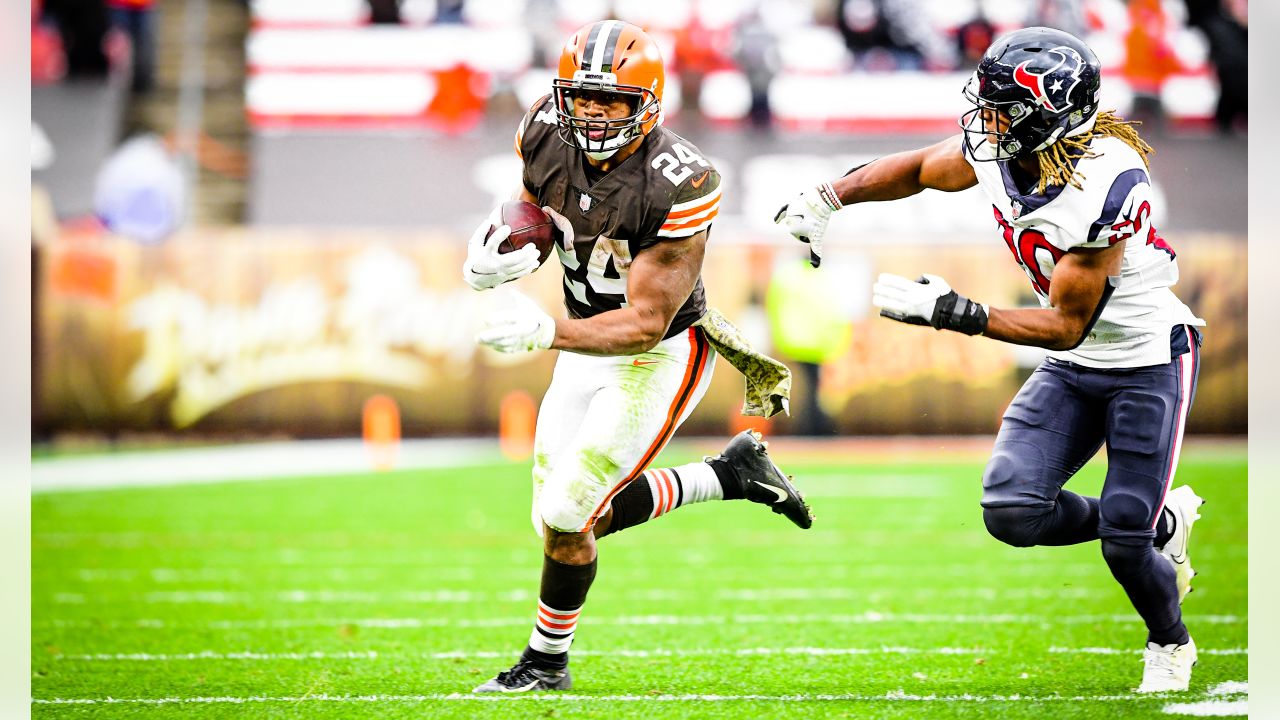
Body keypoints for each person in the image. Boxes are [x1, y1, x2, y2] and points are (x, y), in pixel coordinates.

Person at [775, 27, 1205, 693]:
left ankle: (1170, 640)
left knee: (1125, 542)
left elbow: (1065, 326)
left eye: (1005, 110)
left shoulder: (1105, 188)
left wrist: (958, 313)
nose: (987, 121)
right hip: (1078, 365)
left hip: (1144, 360)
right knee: (1012, 510)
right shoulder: (1006, 152)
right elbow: (920, 169)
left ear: (1050, 119)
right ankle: (1161, 521)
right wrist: (829, 197)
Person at [464, 20, 812, 693]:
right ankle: (728, 476)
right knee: (556, 522)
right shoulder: (541, 129)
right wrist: (499, 251)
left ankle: (545, 663)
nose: (593, 114)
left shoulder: (681, 180)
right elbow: (537, 205)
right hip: (585, 335)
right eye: (583, 98)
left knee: (569, 516)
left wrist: (546, 332)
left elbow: (646, 323)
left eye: (612, 101)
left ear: (646, 104)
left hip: (657, 355)